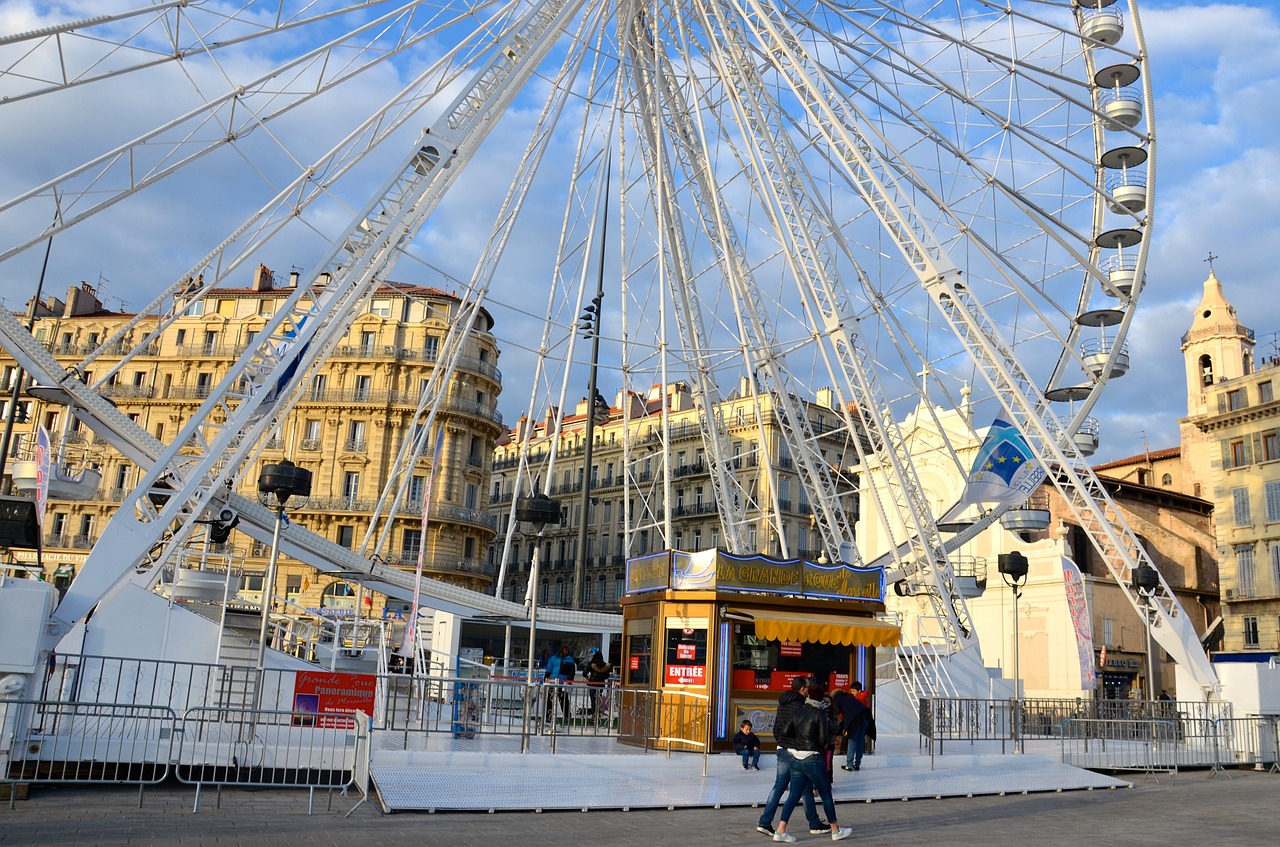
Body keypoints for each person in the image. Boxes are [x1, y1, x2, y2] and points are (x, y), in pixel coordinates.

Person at [772, 681, 853, 843]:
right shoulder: (820, 713)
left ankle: (780, 830)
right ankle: (835, 830)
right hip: (812, 757)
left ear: (808, 696)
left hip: (796, 757)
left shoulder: (798, 710)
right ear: (822, 698)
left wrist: (797, 743)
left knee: (794, 794)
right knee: (826, 795)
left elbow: (786, 731)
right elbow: (823, 739)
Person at [756, 677, 826, 838]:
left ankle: (765, 821)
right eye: (807, 687)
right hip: (795, 751)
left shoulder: (783, 703)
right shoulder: (801, 706)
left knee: (780, 786)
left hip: (782, 748)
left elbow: (777, 728)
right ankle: (814, 824)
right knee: (806, 787)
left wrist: (781, 742)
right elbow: (801, 730)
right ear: (802, 689)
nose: (809, 690)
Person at [831, 686, 870, 772]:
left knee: (852, 740)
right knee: (860, 740)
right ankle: (857, 764)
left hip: (855, 719)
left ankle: (849, 765)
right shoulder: (850, 698)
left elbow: (837, 713)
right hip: (866, 716)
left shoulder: (838, 700)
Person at [543, 644, 575, 725]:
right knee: (550, 700)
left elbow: (572, 671)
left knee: (564, 700)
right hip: (553, 682)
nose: (566, 652)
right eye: (565, 650)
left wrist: (570, 681)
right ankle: (548, 715)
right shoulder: (553, 658)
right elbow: (549, 669)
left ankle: (567, 715)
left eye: (567, 650)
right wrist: (546, 678)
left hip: (563, 682)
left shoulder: (570, 659)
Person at [584, 649, 613, 715]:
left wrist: (588, 678)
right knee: (598, 699)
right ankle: (598, 714)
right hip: (601, 684)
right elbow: (606, 676)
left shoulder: (591, 664)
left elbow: (584, 673)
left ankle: (593, 714)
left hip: (592, 683)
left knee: (593, 700)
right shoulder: (606, 665)